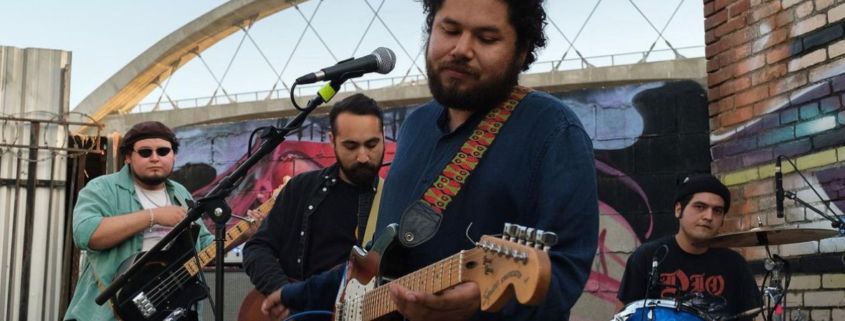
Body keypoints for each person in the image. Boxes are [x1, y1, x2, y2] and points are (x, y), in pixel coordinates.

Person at [262, 0, 599, 320]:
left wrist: (480, 307)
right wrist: (296, 295)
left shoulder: (554, 132)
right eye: (450, 30)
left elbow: (565, 274)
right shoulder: (416, 126)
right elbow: (375, 260)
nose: (462, 49)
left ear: (521, 50)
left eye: (486, 38)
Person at [64, 121, 263, 321]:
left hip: (171, 310)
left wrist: (242, 235)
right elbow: (86, 234)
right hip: (111, 312)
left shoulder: (180, 193)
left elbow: (203, 250)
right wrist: (154, 216)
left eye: (163, 151)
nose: (155, 158)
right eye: (145, 152)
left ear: (173, 156)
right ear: (127, 157)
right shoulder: (102, 188)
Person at [242, 93, 385, 300]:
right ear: (332, 140)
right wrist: (285, 294)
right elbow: (257, 248)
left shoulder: (393, 199)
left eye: (372, 145)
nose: (363, 157)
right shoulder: (300, 188)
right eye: (351, 146)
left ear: (382, 137)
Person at [616, 174, 762, 320]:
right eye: (700, 207)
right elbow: (622, 315)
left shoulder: (735, 265)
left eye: (717, 210)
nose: (709, 216)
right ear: (678, 209)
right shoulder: (648, 257)